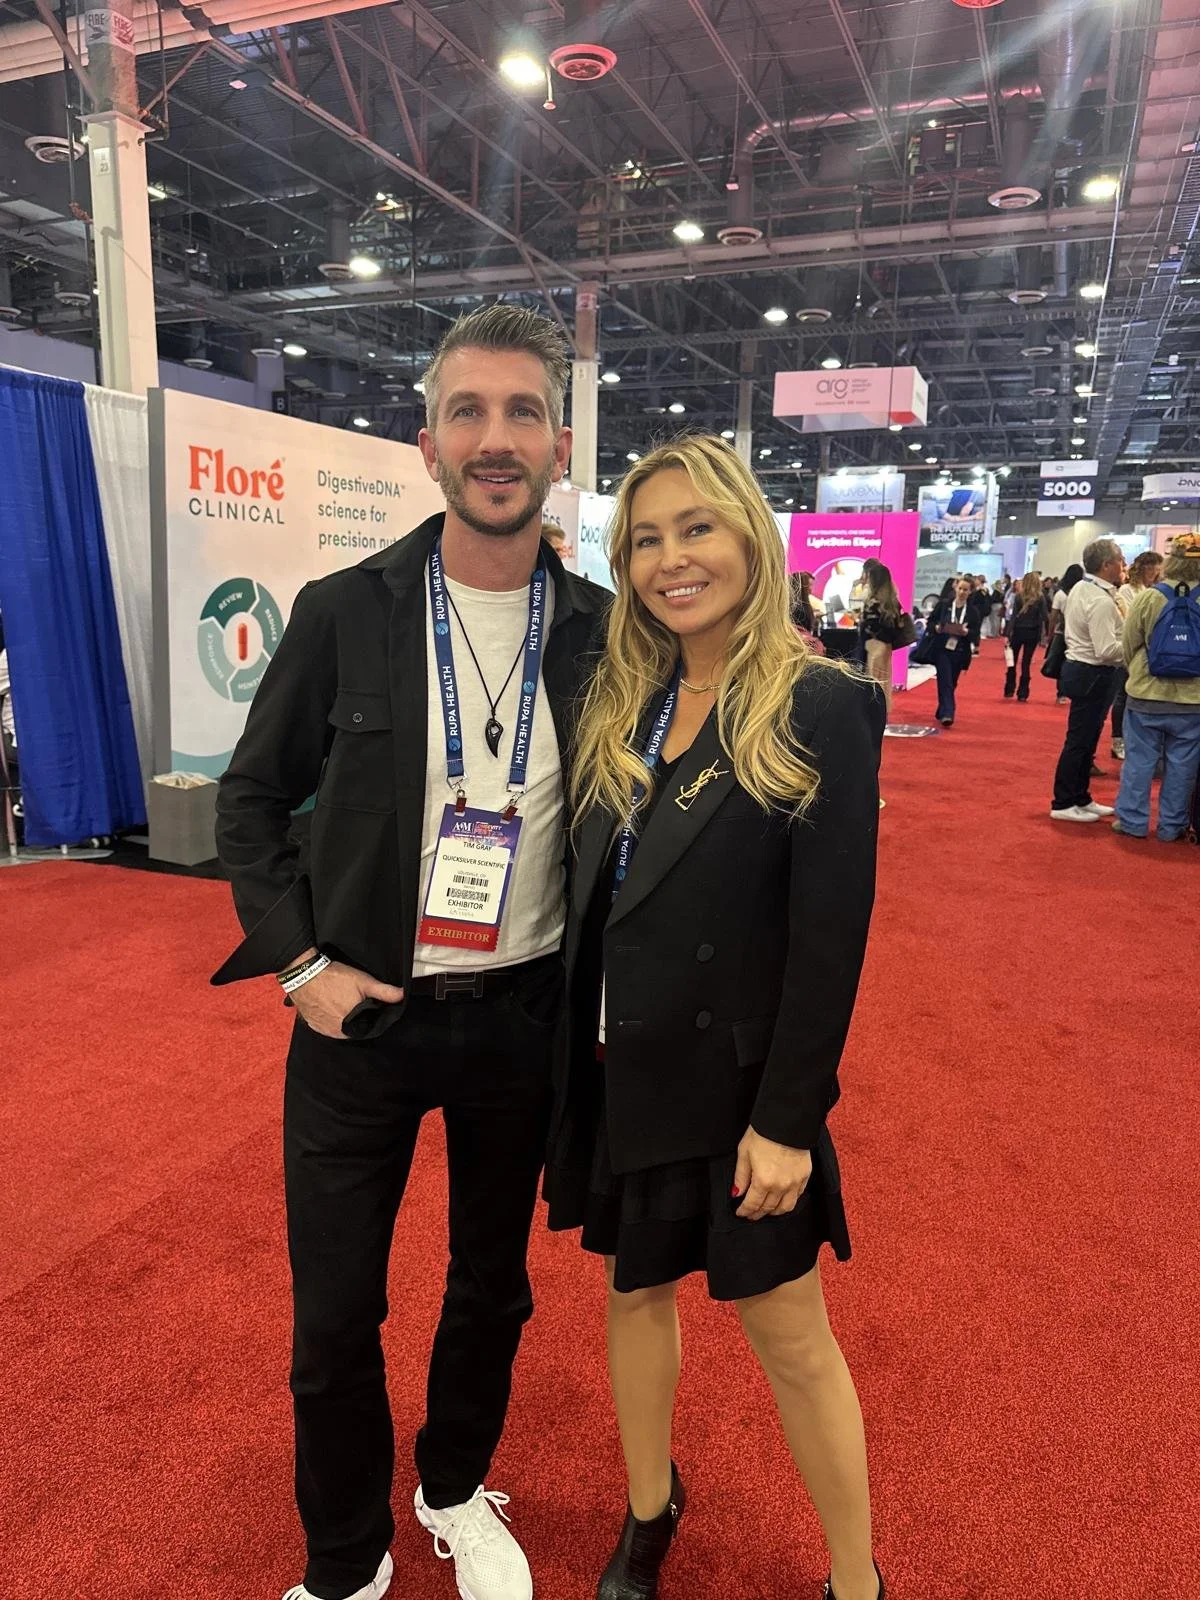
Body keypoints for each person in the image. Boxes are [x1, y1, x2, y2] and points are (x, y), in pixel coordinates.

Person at [212, 305, 610, 1600]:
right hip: (362, 1019)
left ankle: (449, 1487)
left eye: (521, 414)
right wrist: (298, 970)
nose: (496, 441)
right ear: (426, 441)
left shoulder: (610, 633)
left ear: (560, 441)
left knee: (492, 1289)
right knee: (334, 1316)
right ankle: (344, 1555)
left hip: (523, 1018)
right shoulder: (345, 611)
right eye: (467, 413)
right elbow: (250, 802)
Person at [544, 434, 886, 1600]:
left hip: (740, 1091)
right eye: (644, 538)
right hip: (619, 1061)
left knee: (791, 1339)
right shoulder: (618, 696)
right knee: (631, 1293)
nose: (670, 559)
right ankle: (650, 1510)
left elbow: (831, 934)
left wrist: (789, 1118)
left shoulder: (824, 704)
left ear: (752, 536)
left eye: (697, 528)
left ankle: (856, 1578)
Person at [1112, 533, 1200, 840]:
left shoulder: (1149, 597)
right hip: (1193, 701)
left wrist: (1136, 671)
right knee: (1182, 767)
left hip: (1146, 695)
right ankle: (1171, 826)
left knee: (1139, 762)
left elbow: (1128, 644)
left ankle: (1133, 822)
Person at [1049, 539, 1127, 824]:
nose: (1123, 564)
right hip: (1095, 673)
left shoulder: (1083, 588)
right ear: (1106, 565)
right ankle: (1064, 801)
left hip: (1084, 671)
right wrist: (1135, 646)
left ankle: (1080, 796)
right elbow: (1107, 650)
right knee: (1080, 741)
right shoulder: (1100, 600)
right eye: (1119, 559)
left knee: (1086, 739)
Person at [1110, 551, 1164, 759]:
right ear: (1146, 568)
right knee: (1122, 697)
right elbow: (1129, 621)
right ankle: (1118, 740)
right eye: (1155, 569)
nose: (1158, 573)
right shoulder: (1127, 590)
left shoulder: (1151, 590)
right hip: (1131, 648)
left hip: (1149, 653)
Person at [926, 576, 980, 726]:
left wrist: (967, 632)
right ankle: (948, 713)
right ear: (956, 588)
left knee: (952, 682)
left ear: (970, 592)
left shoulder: (973, 612)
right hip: (942, 648)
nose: (962, 592)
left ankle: (942, 708)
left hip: (960, 650)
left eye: (966, 590)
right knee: (946, 680)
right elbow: (930, 622)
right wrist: (936, 628)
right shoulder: (944, 605)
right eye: (960, 588)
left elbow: (975, 633)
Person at [858, 561, 906, 715]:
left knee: (873, 680)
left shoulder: (872, 602)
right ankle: (882, 712)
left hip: (872, 645)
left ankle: (872, 713)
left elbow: (866, 626)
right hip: (886, 645)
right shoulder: (892, 602)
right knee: (884, 680)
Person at [1004, 572, 1051, 701]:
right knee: (1026, 663)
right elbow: (1045, 617)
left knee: (1012, 661)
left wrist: (1008, 633)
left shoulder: (1019, 596)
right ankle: (1023, 693)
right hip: (1033, 633)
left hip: (1018, 631)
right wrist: (1047, 633)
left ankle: (1009, 688)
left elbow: (1013, 617)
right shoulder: (1040, 598)